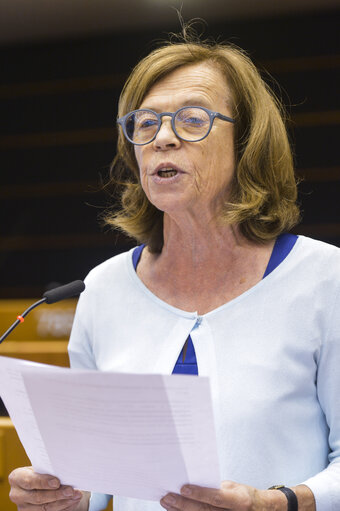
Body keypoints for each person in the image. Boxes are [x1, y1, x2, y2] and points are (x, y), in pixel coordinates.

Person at [8, 34, 340, 511]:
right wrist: (62, 496)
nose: (163, 137)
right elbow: (99, 484)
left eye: (192, 119)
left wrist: (275, 504)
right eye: (146, 123)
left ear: (245, 141)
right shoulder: (101, 289)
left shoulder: (326, 280)